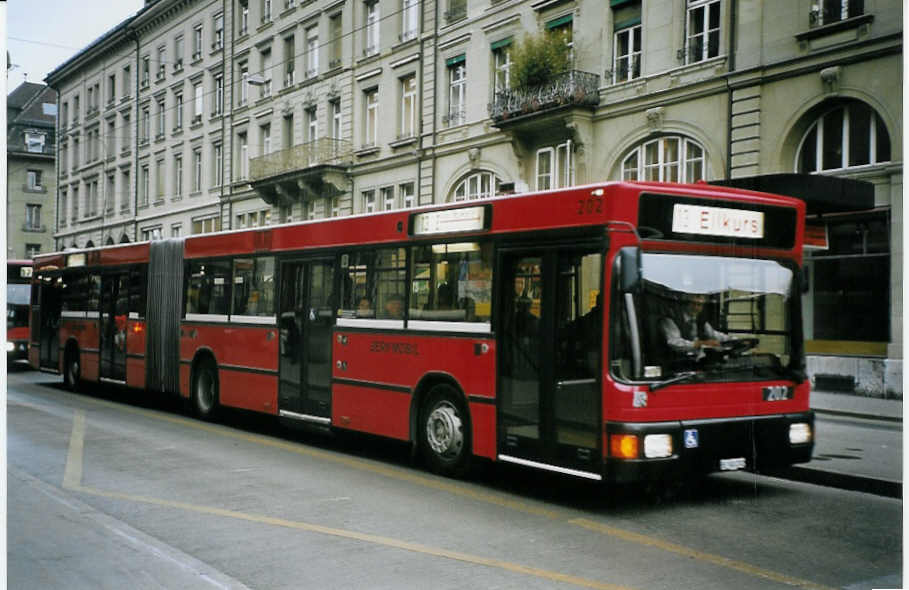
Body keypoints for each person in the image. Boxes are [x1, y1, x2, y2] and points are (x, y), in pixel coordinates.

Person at [659, 293, 728, 358]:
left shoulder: (700, 319)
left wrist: (731, 338)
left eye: (699, 305)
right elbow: (674, 343)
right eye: (693, 303)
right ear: (685, 304)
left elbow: (713, 334)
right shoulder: (670, 319)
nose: (696, 307)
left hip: (698, 360)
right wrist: (701, 343)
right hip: (675, 361)